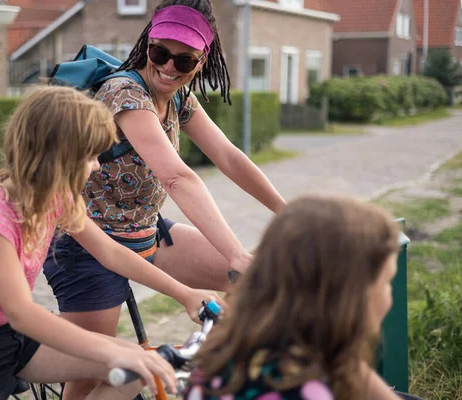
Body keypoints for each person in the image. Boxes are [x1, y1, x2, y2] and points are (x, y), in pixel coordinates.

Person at [43, 1, 287, 398]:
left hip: (147, 235)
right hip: (87, 245)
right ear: (148, 44)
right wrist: (235, 253)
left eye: (184, 60)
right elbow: (176, 177)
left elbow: (228, 157)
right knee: (87, 373)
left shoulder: (178, 98)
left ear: (201, 61)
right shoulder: (123, 91)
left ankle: (222, 380)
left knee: (257, 283)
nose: (170, 67)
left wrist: (290, 214)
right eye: (161, 53)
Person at [0, 86, 223, 400]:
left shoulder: (55, 196)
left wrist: (185, 293)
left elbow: (109, 252)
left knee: (141, 368)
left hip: (15, 337)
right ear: (59, 155)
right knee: (121, 357)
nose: (96, 165)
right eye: (91, 155)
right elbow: (21, 312)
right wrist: (110, 352)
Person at [182, 195, 404, 400]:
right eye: (386, 283)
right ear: (348, 298)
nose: (390, 298)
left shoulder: (213, 357)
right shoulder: (309, 390)